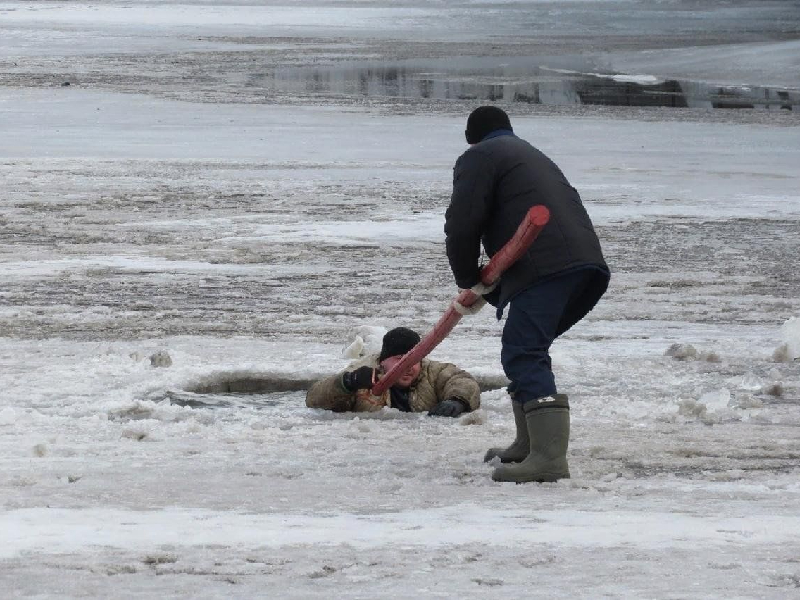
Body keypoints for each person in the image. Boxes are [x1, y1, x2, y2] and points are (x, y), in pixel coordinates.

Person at [444, 106, 610, 483]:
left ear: (471, 136)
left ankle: (548, 459)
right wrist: (490, 286)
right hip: (582, 264)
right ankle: (528, 446)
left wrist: (468, 278)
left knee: (523, 350)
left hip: (548, 264)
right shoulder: (530, 154)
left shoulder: (480, 156)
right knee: (526, 348)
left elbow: (463, 223)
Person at [306, 327, 481, 416]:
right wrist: (347, 383)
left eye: (412, 360)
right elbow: (314, 398)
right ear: (384, 360)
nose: (407, 366)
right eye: (399, 360)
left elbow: (462, 380)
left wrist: (458, 401)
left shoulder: (432, 371)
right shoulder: (362, 372)